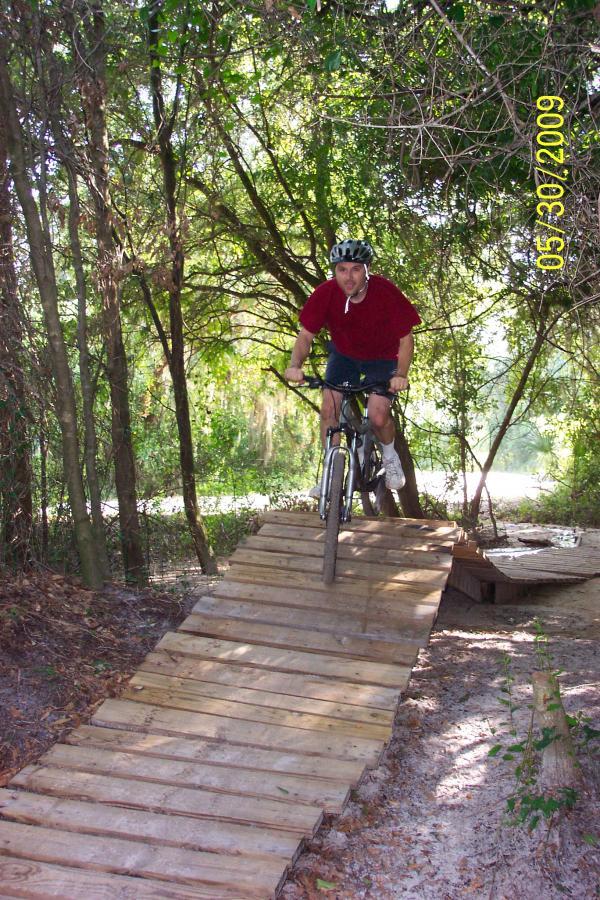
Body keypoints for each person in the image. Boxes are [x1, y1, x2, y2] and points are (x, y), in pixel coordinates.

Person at [284, 238, 420, 493]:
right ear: (335, 270)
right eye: (342, 269)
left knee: (378, 415)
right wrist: (295, 365)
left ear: (367, 270)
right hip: (345, 356)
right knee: (328, 410)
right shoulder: (326, 293)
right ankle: (331, 474)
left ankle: (390, 457)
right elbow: (305, 336)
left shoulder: (385, 292)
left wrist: (401, 374)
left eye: (356, 269)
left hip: (382, 357)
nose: (348, 277)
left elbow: (406, 339)